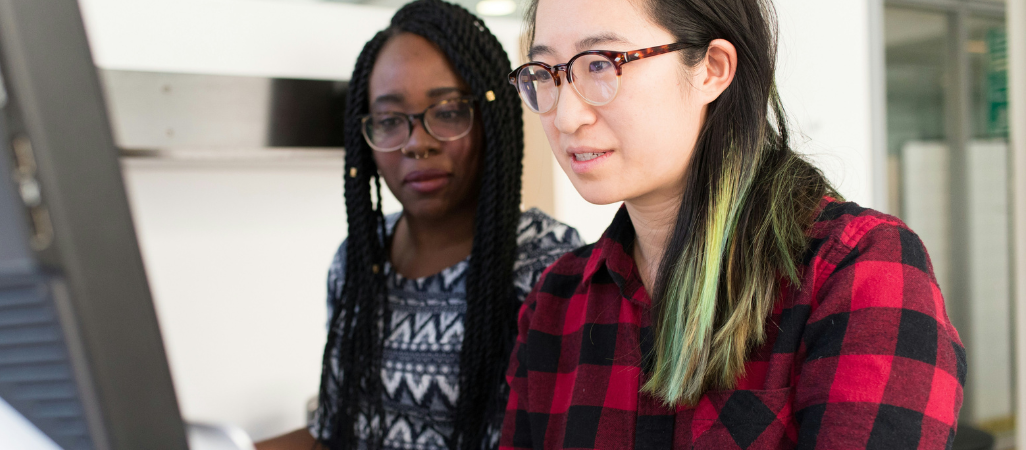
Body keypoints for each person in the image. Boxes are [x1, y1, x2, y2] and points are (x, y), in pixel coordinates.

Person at [499, 0, 965, 448]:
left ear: (712, 68)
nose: (566, 117)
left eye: (600, 65)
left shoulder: (855, 271)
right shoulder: (556, 301)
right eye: (545, 73)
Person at [255, 2, 582, 450]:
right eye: (390, 121)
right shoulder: (357, 259)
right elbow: (336, 433)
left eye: (448, 111)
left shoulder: (548, 265)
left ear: (490, 119)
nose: (417, 143)